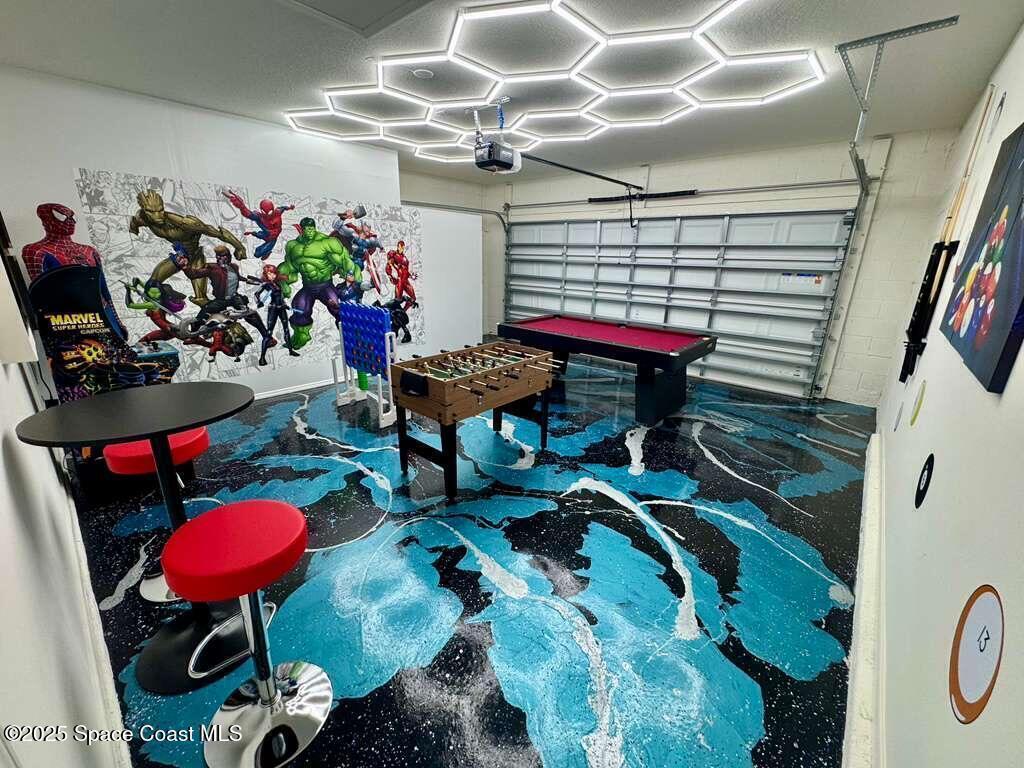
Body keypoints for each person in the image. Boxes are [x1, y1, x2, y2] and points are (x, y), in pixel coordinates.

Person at [130, 189, 246, 305]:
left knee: (201, 299)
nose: (158, 215)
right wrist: (134, 229)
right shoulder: (142, 218)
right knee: (152, 284)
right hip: (180, 257)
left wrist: (239, 247)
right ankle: (170, 300)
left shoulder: (186, 223)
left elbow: (217, 233)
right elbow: (134, 223)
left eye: (160, 210)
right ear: (144, 210)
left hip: (195, 257)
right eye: (151, 211)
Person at [279, 217, 362, 349]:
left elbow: (345, 260)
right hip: (307, 286)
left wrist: (352, 278)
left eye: (311, 228)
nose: (309, 231)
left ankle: (353, 336)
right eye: (306, 229)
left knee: (337, 308)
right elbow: (288, 266)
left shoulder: (327, 242)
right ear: (302, 229)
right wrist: (282, 282)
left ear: (315, 228)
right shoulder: (293, 246)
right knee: (299, 308)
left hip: (325, 286)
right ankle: (301, 336)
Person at [223, 190, 294, 260]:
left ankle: (267, 251)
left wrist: (290, 207)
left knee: (258, 253)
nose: (267, 215)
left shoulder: (277, 212)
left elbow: (283, 208)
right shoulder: (259, 217)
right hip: (266, 233)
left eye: (269, 212)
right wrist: (237, 202)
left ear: (272, 210)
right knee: (257, 253)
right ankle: (266, 250)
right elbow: (247, 212)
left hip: (272, 237)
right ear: (261, 210)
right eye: (264, 212)